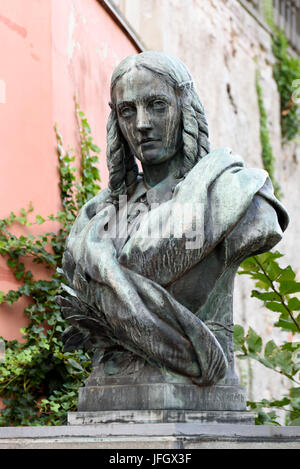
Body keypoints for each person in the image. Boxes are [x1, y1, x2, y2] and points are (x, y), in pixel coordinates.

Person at [59, 51, 288, 387]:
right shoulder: (97, 217)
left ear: (185, 108)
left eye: (157, 105)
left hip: (199, 397)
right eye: (127, 111)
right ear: (116, 123)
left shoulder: (234, 194)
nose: (141, 123)